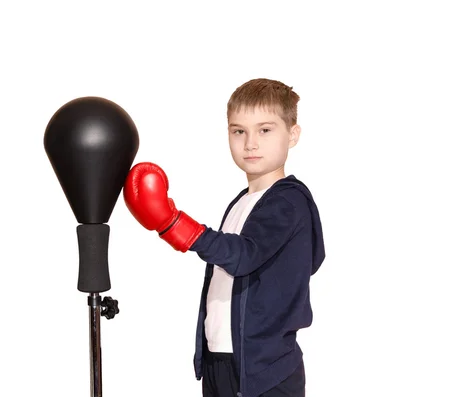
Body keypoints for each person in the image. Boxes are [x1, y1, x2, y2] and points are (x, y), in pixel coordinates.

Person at [123, 78, 326, 397]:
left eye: (265, 130)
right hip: (225, 363)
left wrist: (175, 223)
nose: (250, 143)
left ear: (293, 134)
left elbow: (242, 256)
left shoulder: (288, 200)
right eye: (238, 131)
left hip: (264, 370)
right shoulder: (242, 201)